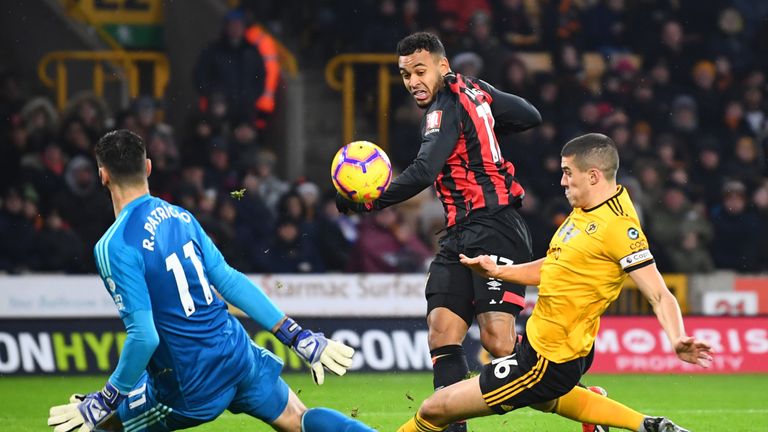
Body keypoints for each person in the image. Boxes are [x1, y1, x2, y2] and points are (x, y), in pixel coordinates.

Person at [47, 130, 375, 432]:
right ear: (148, 167)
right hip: (236, 354)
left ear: (103, 175)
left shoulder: (113, 245)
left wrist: (105, 400)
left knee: (103, 423)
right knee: (297, 419)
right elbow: (230, 281)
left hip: (190, 384)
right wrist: (297, 336)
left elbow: (144, 337)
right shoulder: (181, 216)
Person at [397, 133, 714, 432]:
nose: (562, 181)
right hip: (546, 349)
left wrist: (677, 338)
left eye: (568, 173)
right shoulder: (586, 209)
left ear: (593, 176)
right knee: (551, 399)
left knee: (433, 409)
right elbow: (555, 265)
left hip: (547, 360)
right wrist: (497, 271)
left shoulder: (618, 227)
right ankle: (647, 425)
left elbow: (659, 294)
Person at [336, 31, 541, 432]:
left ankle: (578, 392)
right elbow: (530, 115)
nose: (412, 81)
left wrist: (368, 202)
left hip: (496, 225)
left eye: (419, 70)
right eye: (404, 73)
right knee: (441, 330)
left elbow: (424, 171)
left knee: (499, 343)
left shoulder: (442, 110)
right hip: (459, 232)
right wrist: (482, 131)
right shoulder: (475, 90)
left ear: (442, 66)